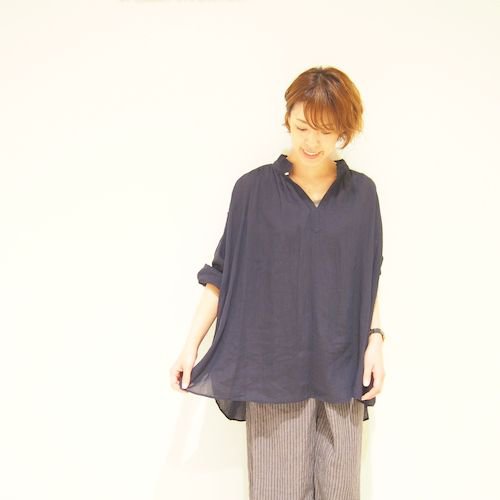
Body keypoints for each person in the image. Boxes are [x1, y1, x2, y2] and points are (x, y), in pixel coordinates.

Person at [170, 65, 385, 500]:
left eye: (325, 131)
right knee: (277, 492)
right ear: (287, 118)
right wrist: (191, 344)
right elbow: (222, 273)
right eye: (303, 126)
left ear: (344, 131)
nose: (311, 142)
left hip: (341, 365)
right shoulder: (252, 191)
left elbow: (369, 274)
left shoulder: (362, 195)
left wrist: (376, 339)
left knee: (341, 492)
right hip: (273, 368)